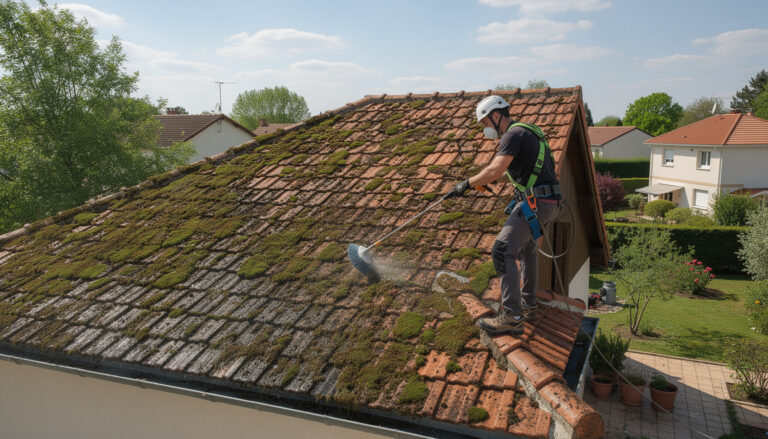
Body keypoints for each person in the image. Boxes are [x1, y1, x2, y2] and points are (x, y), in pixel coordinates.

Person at [444, 95, 562, 335]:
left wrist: (465, 184)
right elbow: (501, 173)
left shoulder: (512, 135)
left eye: (486, 122)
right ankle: (528, 307)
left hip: (536, 202)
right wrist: (482, 182)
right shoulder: (527, 132)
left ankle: (512, 316)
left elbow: (494, 168)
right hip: (550, 202)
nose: (486, 128)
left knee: (501, 250)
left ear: (496, 115)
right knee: (527, 250)